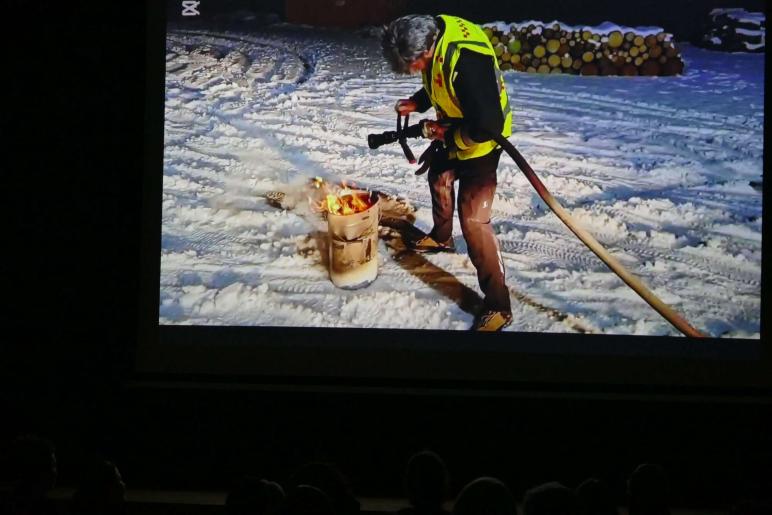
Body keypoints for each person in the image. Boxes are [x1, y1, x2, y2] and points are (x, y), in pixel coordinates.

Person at [381, 14, 513, 331]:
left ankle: (499, 305)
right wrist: (417, 103)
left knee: (473, 219)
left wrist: (449, 136)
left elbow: (489, 124)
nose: (414, 71)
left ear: (426, 49)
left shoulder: (467, 60)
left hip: (483, 139)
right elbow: (438, 79)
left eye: (414, 65)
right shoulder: (435, 35)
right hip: (456, 123)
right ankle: (441, 239)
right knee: (439, 176)